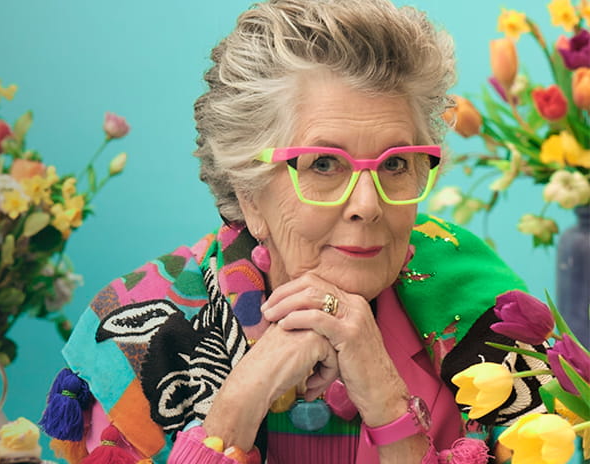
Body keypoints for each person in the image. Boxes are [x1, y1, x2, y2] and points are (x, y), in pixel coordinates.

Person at [39, 0, 550, 462]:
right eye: (324, 164)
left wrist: (390, 406)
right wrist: (239, 402)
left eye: (396, 164)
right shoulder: (150, 336)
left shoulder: (490, 323)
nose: (368, 206)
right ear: (248, 194)